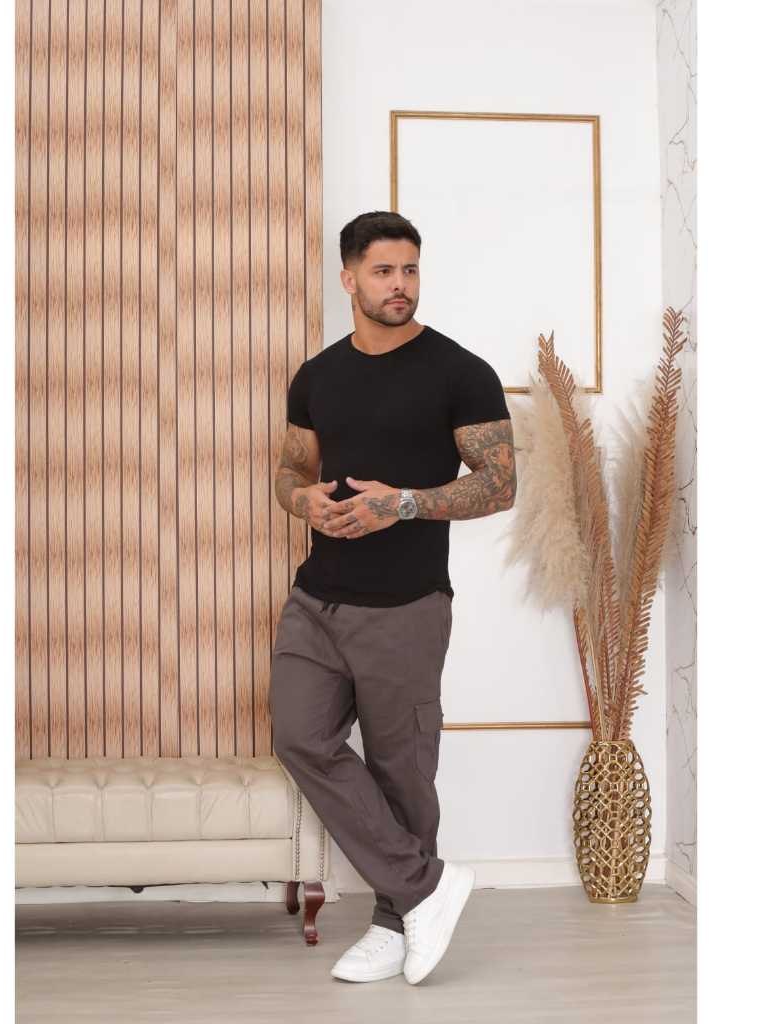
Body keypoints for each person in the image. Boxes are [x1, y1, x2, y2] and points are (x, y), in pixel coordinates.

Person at [269, 210, 516, 985]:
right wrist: (301, 501)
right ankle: (423, 890)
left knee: (401, 770)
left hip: (405, 605)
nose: (399, 285)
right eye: (383, 271)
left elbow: (500, 485)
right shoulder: (317, 376)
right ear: (349, 279)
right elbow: (291, 470)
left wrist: (403, 503)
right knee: (299, 736)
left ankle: (393, 921)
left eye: (409, 269)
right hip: (317, 599)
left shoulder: (459, 371)